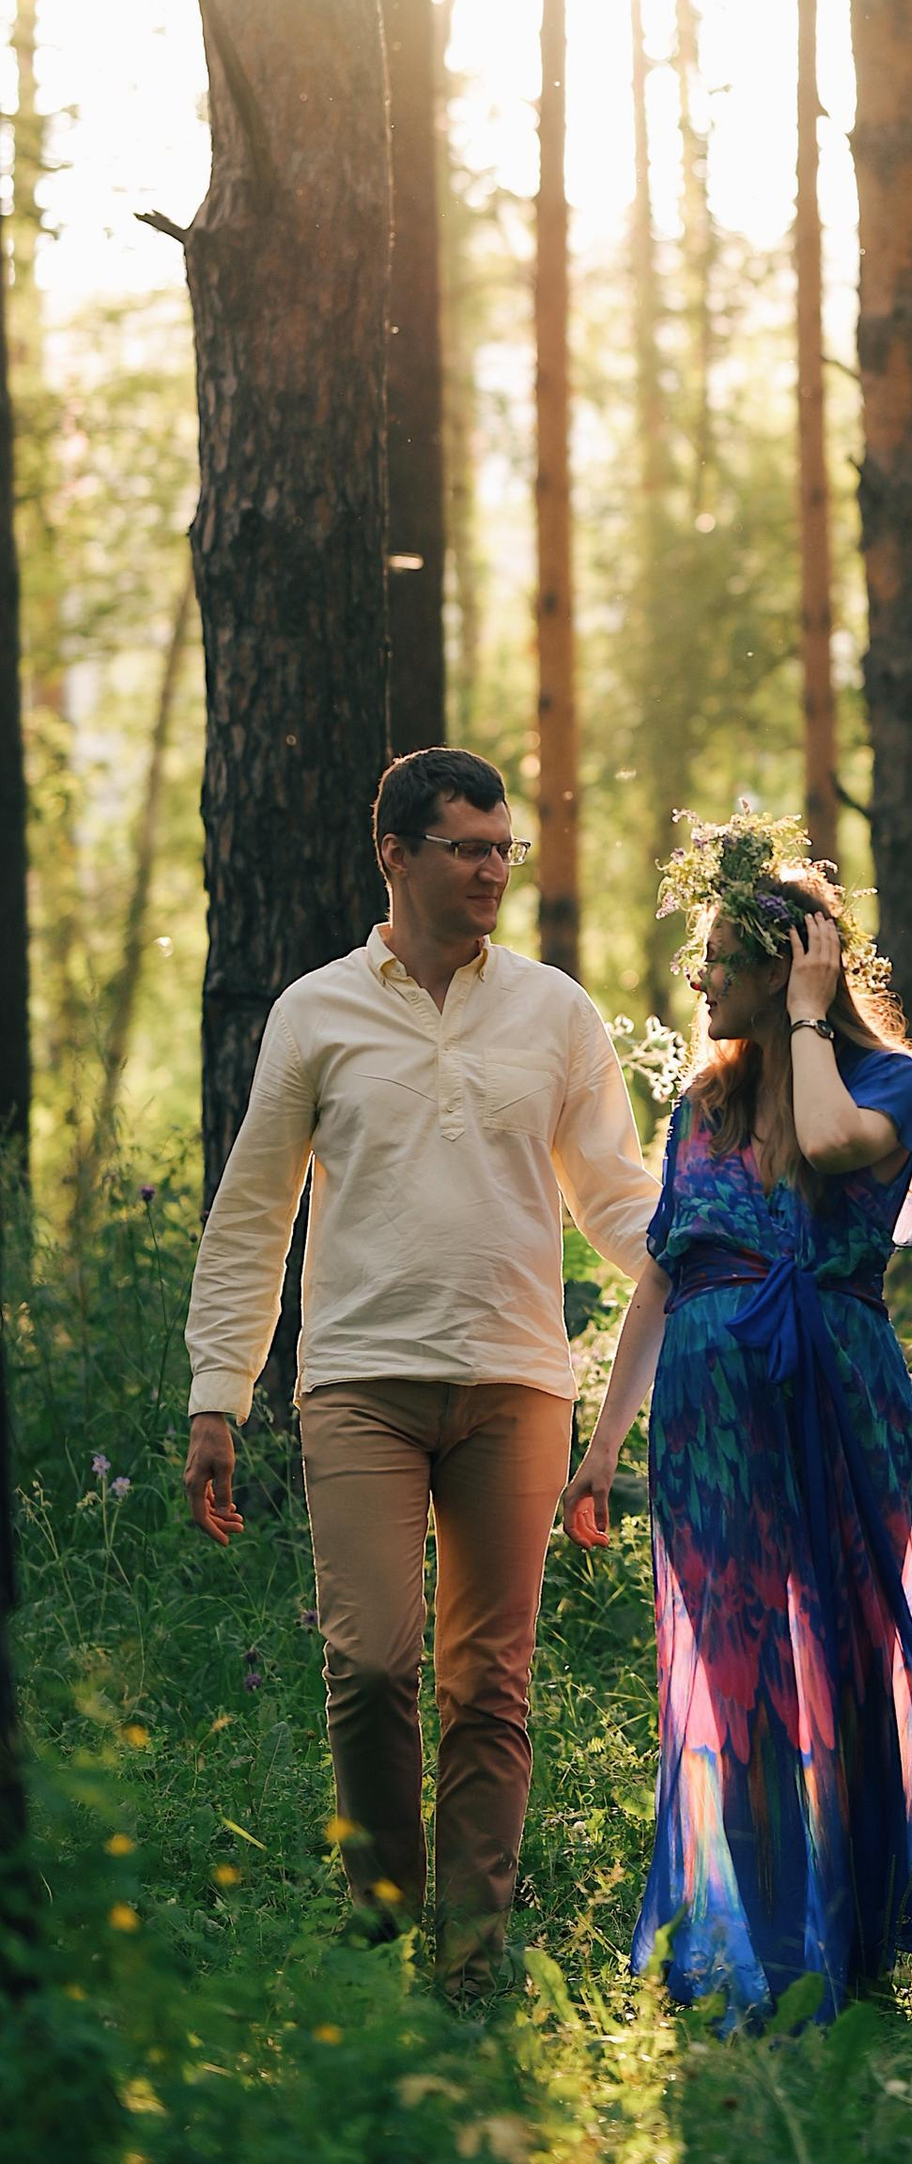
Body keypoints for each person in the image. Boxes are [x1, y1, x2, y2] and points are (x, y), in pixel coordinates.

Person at [183, 748, 660, 1996]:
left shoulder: (556, 1012)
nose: (494, 869)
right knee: (373, 1661)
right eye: (467, 847)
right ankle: (382, 1913)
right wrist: (219, 1392)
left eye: (504, 847)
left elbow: (618, 1198)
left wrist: (726, 1258)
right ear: (395, 854)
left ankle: (469, 1958)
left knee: (490, 1682)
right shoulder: (315, 1011)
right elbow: (254, 1212)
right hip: (360, 1381)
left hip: (516, 1381)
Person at [562, 814, 912, 2023]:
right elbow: (659, 1274)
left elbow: (833, 1143)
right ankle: (762, 1947)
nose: (697, 981)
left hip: (837, 1401)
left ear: (789, 967)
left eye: (718, 961)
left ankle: (856, 1941)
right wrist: (602, 1445)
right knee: (734, 1667)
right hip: (710, 1423)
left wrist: (807, 1016)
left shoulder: (886, 1082)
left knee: (849, 1653)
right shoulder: (702, 1104)